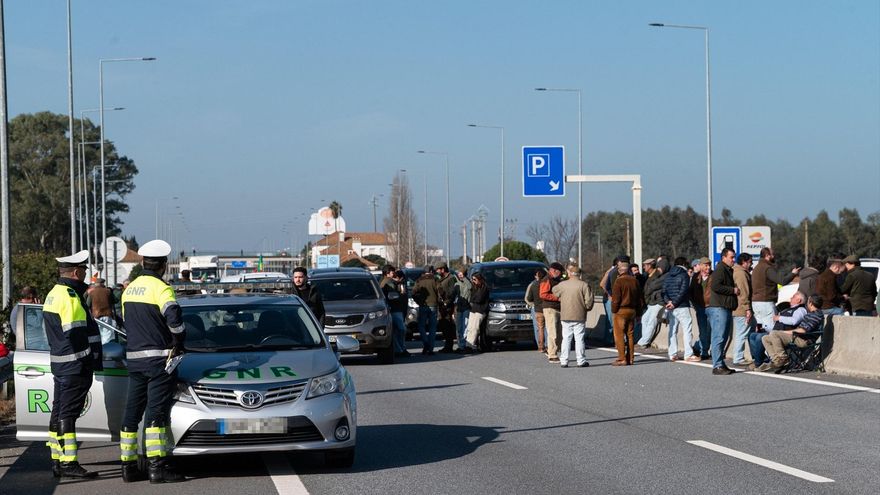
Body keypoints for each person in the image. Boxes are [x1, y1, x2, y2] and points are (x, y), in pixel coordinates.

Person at [119, 240, 185, 483]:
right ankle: (157, 468)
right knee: (156, 414)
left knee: (131, 413)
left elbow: (127, 324)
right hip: (158, 362)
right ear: (164, 265)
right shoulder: (162, 289)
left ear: (143, 262)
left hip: (134, 362)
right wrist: (179, 340)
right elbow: (175, 323)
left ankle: (127, 467)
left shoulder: (129, 290)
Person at [42, 250, 102, 479]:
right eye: (85, 270)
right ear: (77, 272)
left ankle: (58, 460)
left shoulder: (54, 293)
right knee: (67, 414)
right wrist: (88, 359)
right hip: (75, 366)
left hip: (61, 365)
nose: (86, 274)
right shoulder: (69, 296)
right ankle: (69, 463)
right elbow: (76, 334)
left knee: (58, 412)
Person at [758, 295, 825, 372]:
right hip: (798, 337)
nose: (807, 303)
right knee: (765, 338)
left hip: (804, 340)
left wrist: (784, 332)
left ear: (811, 303)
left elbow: (803, 330)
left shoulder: (815, 315)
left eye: (808, 302)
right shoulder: (812, 314)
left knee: (775, 334)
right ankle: (776, 360)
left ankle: (783, 359)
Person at [749, 291, 807, 369]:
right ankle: (771, 360)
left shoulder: (800, 310)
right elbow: (776, 326)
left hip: (787, 335)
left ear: (799, 300)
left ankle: (760, 362)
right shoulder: (786, 310)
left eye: (793, 297)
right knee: (753, 335)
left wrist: (779, 318)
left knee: (760, 337)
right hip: (776, 333)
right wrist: (765, 327)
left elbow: (794, 321)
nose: (790, 298)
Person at [551, 263, 594, 368]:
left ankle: (564, 361)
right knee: (579, 339)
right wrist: (586, 308)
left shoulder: (563, 284)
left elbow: (554, 291)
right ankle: (581, 360)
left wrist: (561, 298)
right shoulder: (584, 285)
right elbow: (589, 301)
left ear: (569, 273)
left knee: (566, 338)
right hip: (579, 315)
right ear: (579, 274)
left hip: (566, 314)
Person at [751, 247, 800, 332]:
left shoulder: (756, 268)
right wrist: (793, 274)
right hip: (766, 304)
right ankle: (768, 345)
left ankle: (759, 345)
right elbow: (782, 281)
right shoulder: (767, 268)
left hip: (756, 304)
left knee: (760, 329)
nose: (774, 256)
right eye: (772, 254)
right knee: (771, 330)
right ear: (767, 255)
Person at [707, 248, 739, 375]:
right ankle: (717, 365)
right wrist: (733, 290)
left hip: (725, 307)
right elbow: (716, 286)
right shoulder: (720, 269)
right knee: (719, 337)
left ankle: (721, 363)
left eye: (734, 257)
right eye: (731, 257)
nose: (734, 260)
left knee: (723, 337)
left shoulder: (727, 270)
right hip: (719, 308)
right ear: (724, 257)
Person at [663, 257, 699, 361]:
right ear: (684, 264)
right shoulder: (684, 275)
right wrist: (675, 303)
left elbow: (664, 291)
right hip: (682, 306)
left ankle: (672, 354)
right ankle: (688, 354)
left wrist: (668, 302)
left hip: (670, 307)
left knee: (672, 330)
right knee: (687, 329)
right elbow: (683, 291)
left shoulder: (668, 275)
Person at [611, 260, 643, 366]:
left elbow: (616, 299)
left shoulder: (618, 281)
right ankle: (630, 358)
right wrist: (639, 313)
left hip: (621, 310)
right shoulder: (635, 281)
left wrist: (614, 311)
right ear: (629, 270)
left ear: (620, 271)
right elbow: (639, 299)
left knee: (619, 335)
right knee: (630, 335)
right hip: (632, 310)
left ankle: (622, 358)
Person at [380, 265, 409, 357]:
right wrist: (401, 294)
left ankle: (400, 349)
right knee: (401, 330)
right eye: (392, 272)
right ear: (387, 273)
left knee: (395, 330)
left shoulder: (381, 282)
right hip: (395, 309)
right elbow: (394, 296)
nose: (394, 273)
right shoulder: (389, 282)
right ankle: (400, 350)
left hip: (389, 309)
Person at [731, 253, 755, 366]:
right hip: (741, 309)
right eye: (750, 262)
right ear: (744, 262)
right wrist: (747, 308)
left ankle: (746, 355)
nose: (751, 264)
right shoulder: (741, 274)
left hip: (738, 307)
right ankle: (738, 357)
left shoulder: (735, 271)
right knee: (742, 332)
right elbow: (743, 292)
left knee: (746, 331)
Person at [636, 259, 665, 349]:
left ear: (650, 266)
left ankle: (643, 342)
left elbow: (654, 288)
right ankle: (645, 340)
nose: (644, 267)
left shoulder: (657, 275)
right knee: (644, 319)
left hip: (658, 302)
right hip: (651, 302)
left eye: (645, 265)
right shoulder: (649, 275)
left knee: (652, 321)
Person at [539, 262, 566, 363]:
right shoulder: (547, 280)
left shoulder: (556, 280)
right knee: (553, 332)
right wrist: (557, 298)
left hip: (557, 308)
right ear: (554, 270)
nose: (561, 274)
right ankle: (552, 355)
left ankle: (551, 350)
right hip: (550, 308)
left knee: (559, 332)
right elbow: (543, 294)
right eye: (560, 272)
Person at [413, 265, 440, 355]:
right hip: (433, 305)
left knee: (421, 326)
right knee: (432, 327)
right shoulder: (435, 279)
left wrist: (419, 301)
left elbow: (414, 292)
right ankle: (430, 348)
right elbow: (440, 291)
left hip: (423, 305)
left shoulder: (419, 280)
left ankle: (426, 343)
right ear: (431, 271)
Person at [689, 257, 713, 359]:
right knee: (703, 330)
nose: (708, 267)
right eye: (706, 265)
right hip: (700, 308)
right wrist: (695, 304)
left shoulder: (714, 276)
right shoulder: (695, 277)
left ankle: (712, 349)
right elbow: (691, 292)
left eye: (709, 265)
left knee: (712, 330)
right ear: (701, 266)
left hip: (712, 307)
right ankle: (704, 351)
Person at [435, 263, 458, 353]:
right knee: (443, 326)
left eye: (438, 270)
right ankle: (447, 345)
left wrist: (447, 303)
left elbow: (452, 293)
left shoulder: (451, 278)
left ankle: (449, 346)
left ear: (443, 269)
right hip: (442, 306)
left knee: (448, 326)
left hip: (447, 306)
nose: (437, 272)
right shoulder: (441, 279)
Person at [87, 278, 117, 344]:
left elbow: (87, 304)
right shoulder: (107, 291)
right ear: (102, 283)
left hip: (96, 316)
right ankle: (107, 349)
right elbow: (115, 300)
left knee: (99, 334)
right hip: (107, 315)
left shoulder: (92, 292)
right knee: (108, 334)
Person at [464, 272, 489, 351]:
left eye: (475, 279)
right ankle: (467, 344)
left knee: (475, 328)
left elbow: (479, 299)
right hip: (473, 310)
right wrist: (474, 298)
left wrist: (474, 299)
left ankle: (470, 345)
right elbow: (471, 298)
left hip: (480, 310)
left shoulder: (484, 287)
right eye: (472, 279)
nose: (473, 281)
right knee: (470, 327)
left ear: (479, 279)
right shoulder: (475, 288)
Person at [524, 268, 547, 353]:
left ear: (535, 276)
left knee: (539, 328)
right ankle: (549, 345)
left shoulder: (533, 285)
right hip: (547, 308)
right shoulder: (548, 284)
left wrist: (532, 304)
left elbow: (527, 298)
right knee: (548, 328)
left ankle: (541, 346)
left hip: (537, 309)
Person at [452, 269, 472, 353]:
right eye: (459, 274)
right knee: (459, 327)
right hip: (459, 308)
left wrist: (464, 278)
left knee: (465, 326)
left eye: (461, 273)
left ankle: (466, 345)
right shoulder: (456, 284)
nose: (460, 275)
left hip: (467, 307)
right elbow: (453, 296)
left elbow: (470, 287)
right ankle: (460, 345)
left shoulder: (468, 282)